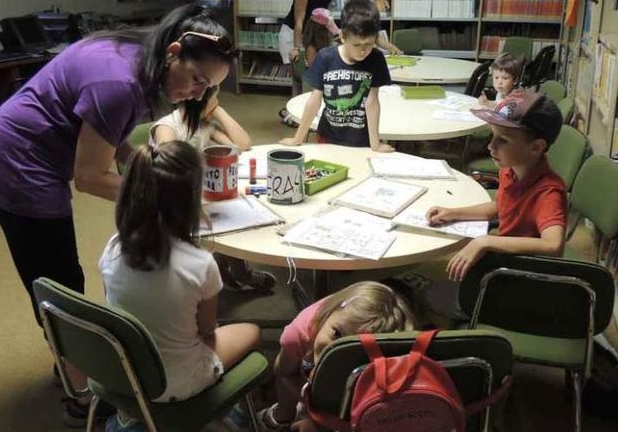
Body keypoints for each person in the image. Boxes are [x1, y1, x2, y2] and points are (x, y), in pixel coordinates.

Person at [0, 3, 238, 426]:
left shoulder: (136, 57)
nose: (199, 94)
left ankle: (71, 365)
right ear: (175, 51)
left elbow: (111, 141)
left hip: (30, 151)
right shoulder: (118, 82)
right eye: (198, 79)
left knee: (58, 273)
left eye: (210, 88)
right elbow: (89, 178)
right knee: (58, 281)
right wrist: (167, 197)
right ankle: (77, 392)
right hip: (16, 164)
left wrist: (144, 165)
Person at [100, 141, 261, 432]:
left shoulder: (112, 249)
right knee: (250, 331)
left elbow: (113, 307)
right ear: (190, 199)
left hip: (123, 371)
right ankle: (212, 411)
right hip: (174, 383)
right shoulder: (200, 264)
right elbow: (206, 330)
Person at [427, 90, 566, 281]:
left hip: (521, 270)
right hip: (504, 255)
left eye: (503, 140)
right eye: (493, 136)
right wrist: (453, 213)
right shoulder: (511, 170)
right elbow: (501, 206)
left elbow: (553, 245)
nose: (491, 146)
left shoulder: (548, 192)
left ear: (535, 147)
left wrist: (485, 242)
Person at [149, 98, 277, 292]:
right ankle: (230, 271)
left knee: (238, 210)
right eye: (214, 97)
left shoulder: (203, 124)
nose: (217, 101)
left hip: (201, 190)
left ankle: (233, 270)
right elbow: (169, 170)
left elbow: (243, 144)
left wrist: (219, 112)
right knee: (229, 217)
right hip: (172, 199)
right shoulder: (167, 127)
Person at [256, 281, 417, 431]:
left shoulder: (394, 355)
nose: (336, 348)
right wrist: (310, 409)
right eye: (337, 333)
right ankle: (282, 415)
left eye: (357, 348)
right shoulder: (298, 334)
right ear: (327, 315)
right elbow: (284, 372)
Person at [280, 0, 394, 152]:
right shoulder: (325, 57)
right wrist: (298, 138)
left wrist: (375, 144)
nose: (363, 50)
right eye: (357, 45)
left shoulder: (376, 59)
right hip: (327, 137)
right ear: (342, 36)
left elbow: (372, 102)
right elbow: (314, 100)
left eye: (368, 44)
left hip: (362, 140)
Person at [279, 0, 338, 66]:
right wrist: (296, 48)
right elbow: (299, 22)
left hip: (308, 37)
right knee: (298, 74)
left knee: (310, 75)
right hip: (292, 34)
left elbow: (326, 21)